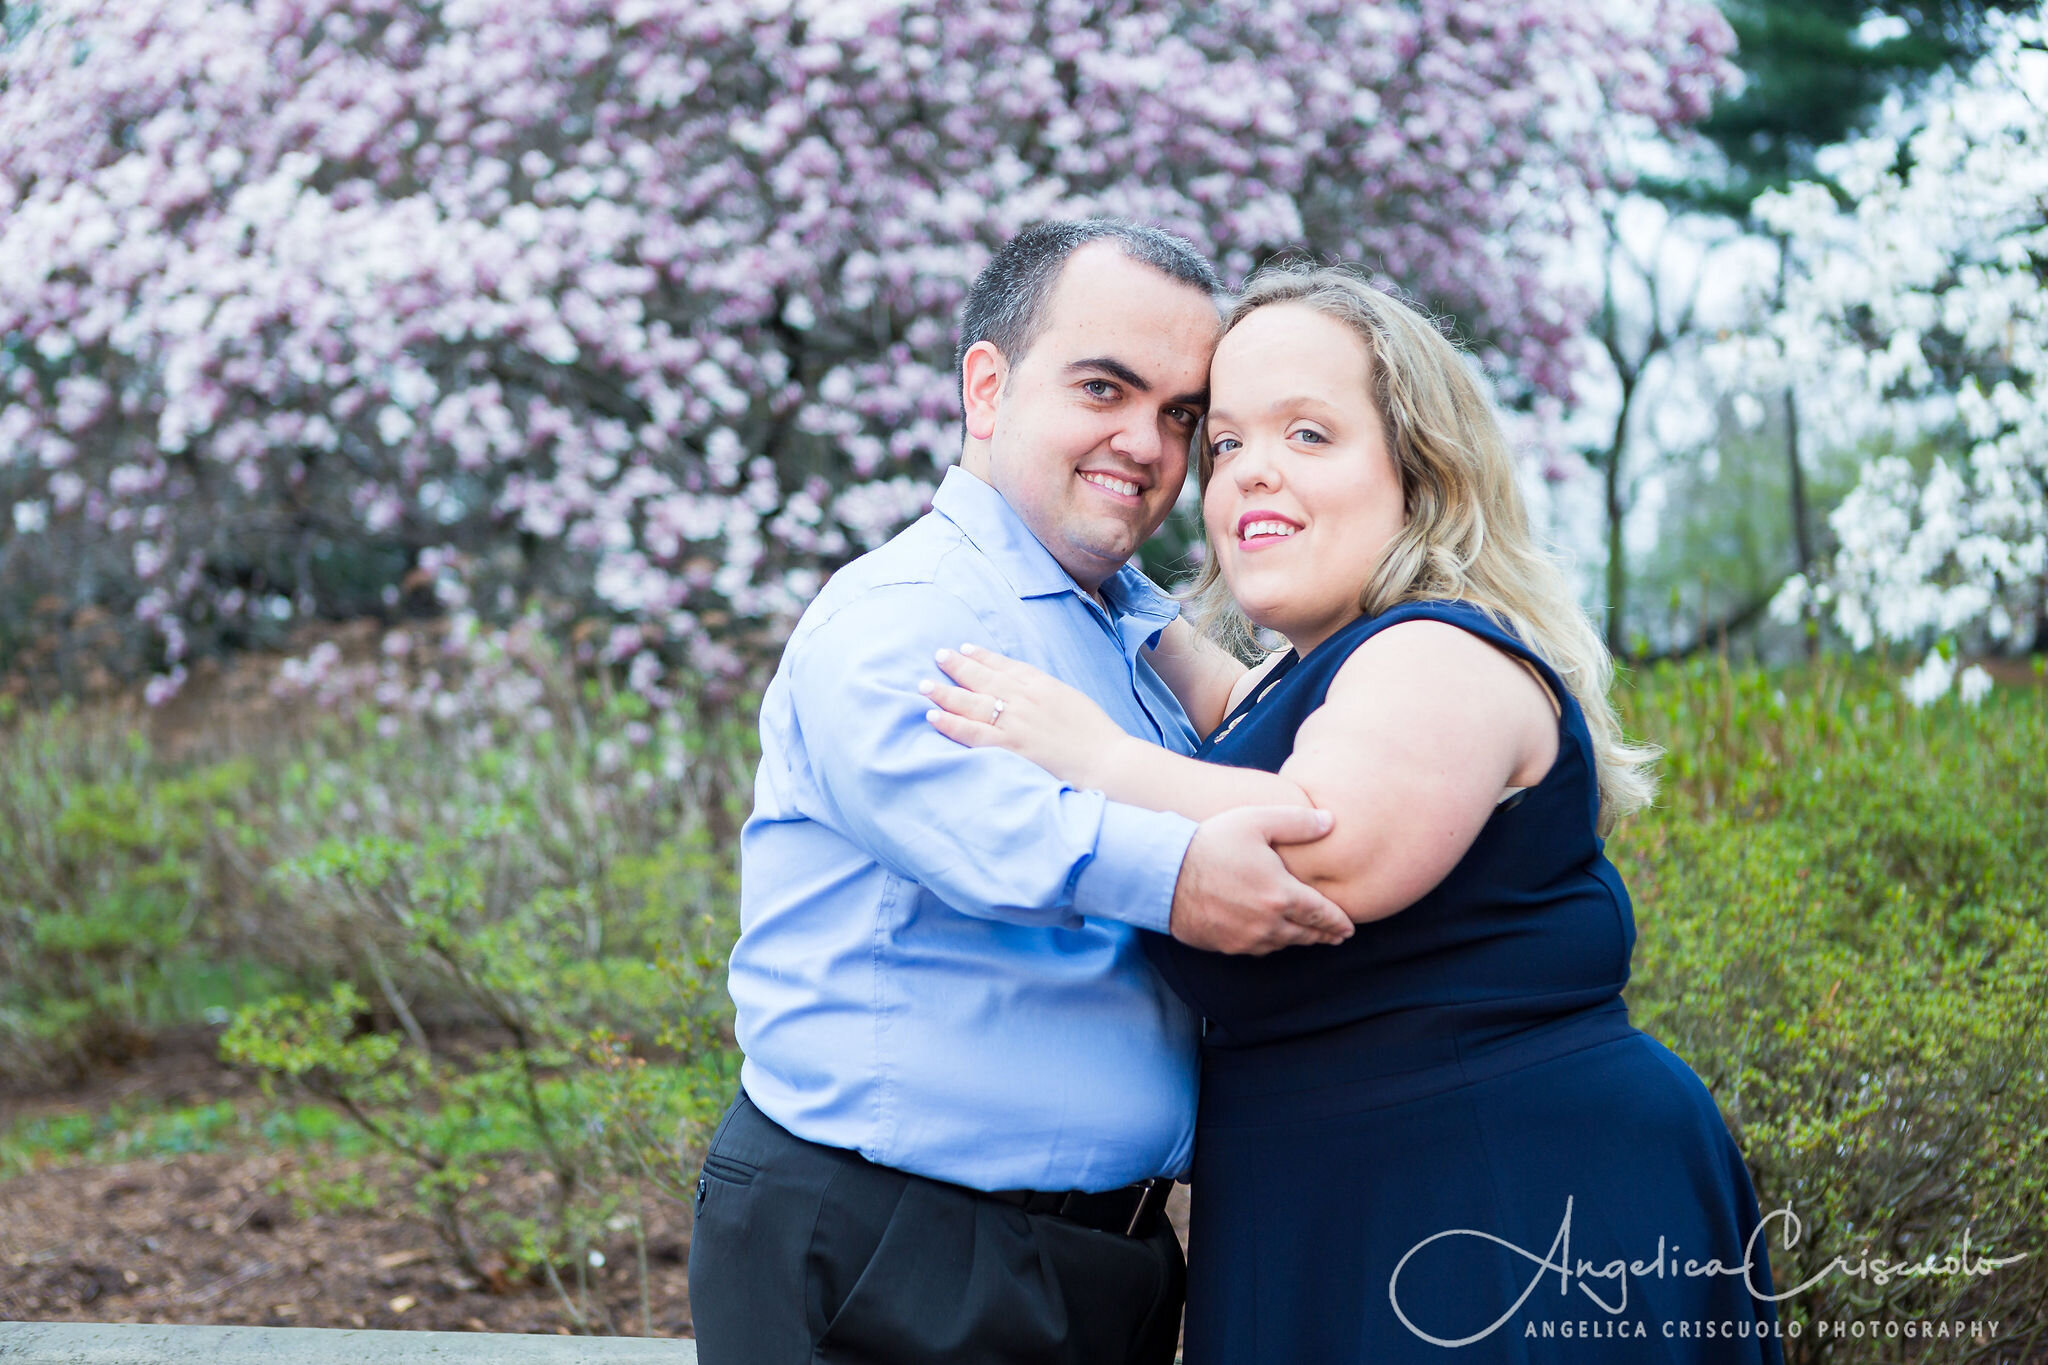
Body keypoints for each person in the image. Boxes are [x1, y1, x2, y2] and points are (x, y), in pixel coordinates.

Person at [923, 263, 1786, 1362]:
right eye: (1224, 442)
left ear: (1419, 471)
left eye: (1308, 436)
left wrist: (1091, 755)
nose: (1247, 475)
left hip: (1501, 1208)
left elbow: (1320, 846)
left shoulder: (1440, 652)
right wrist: (1085, 556)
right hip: (1343, 1209)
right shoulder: (1309, 675)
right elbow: (1233, 717)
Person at [687, 222, 1357, 1365]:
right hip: (891, 1247)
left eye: (1181, 415)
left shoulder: (1132, 628)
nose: (1145, 444)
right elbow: (991, 836)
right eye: (1103, 387)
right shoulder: (903, 610)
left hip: (1111, 1263)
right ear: (987, 388)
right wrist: (1196, 882)